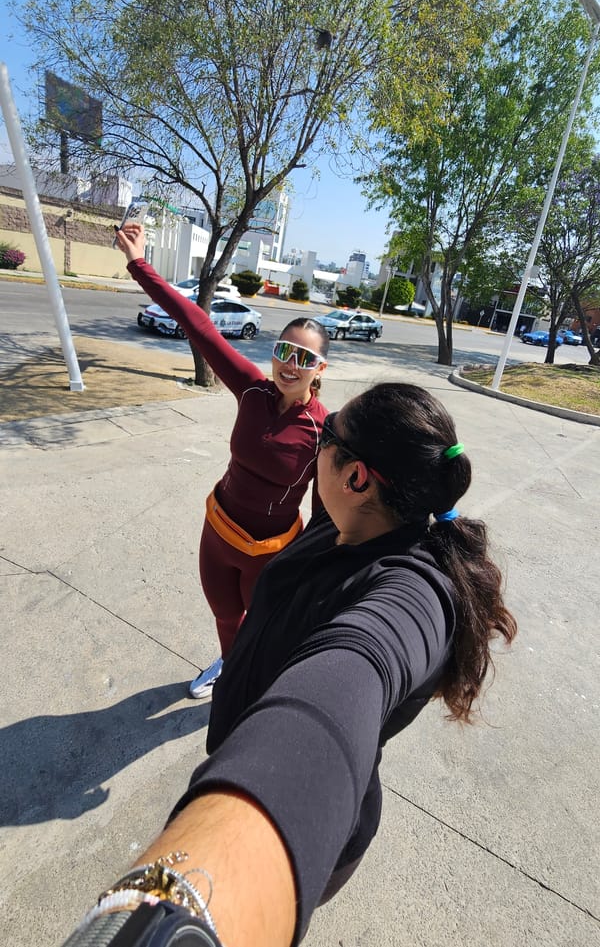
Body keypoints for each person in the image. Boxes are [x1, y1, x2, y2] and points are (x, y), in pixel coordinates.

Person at [68, 382, 516, 947]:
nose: (313, 445)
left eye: (325, 437)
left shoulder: (414, 593)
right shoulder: (346, 522)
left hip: (316, 825)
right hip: (243, 747)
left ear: (357, 476)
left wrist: (160, 920)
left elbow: (344, 685)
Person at [115, 221, 329, 698]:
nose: (290, 365)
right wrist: (138, 263)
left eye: (304, 358)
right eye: (284, 351)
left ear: (320, 369)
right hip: (217, 532)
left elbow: (324, 510)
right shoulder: (252, 387)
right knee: (226, 618)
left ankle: (257, 684)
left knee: (264, 630)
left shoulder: (324, 429)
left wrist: (314, 568)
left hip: (270, 553)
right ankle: (231, 670)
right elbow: (199, 324)